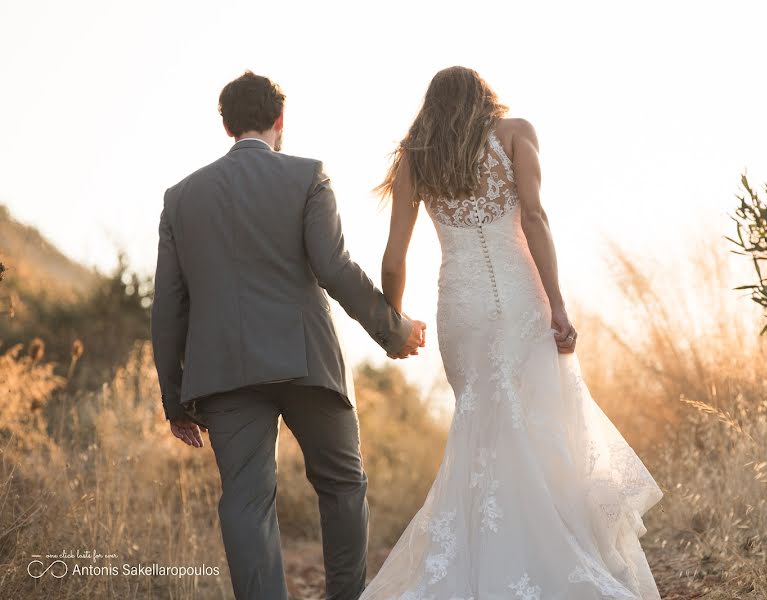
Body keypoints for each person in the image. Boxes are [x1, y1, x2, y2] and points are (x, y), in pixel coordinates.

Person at [360, 66, 663, 599]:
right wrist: (559, 305)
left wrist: (397, 319)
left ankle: (486, 556)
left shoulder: (416, 155)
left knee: (482, 428)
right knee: (542, 425)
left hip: (463, 307)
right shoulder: (515, 132)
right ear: (485, 98)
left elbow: (393, 257)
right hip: (523, 299)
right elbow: (536, 218)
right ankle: (555, 546)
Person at [150, 70, 426, 600]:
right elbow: (335, 267)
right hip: (307, 363)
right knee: (343, 485)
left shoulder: (180, 198)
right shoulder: (308, 175)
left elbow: (168, 307)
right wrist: (392, 331)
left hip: (225, 375)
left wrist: (174, 397)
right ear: (280, 120)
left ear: (227, 126)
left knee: (245, 501)